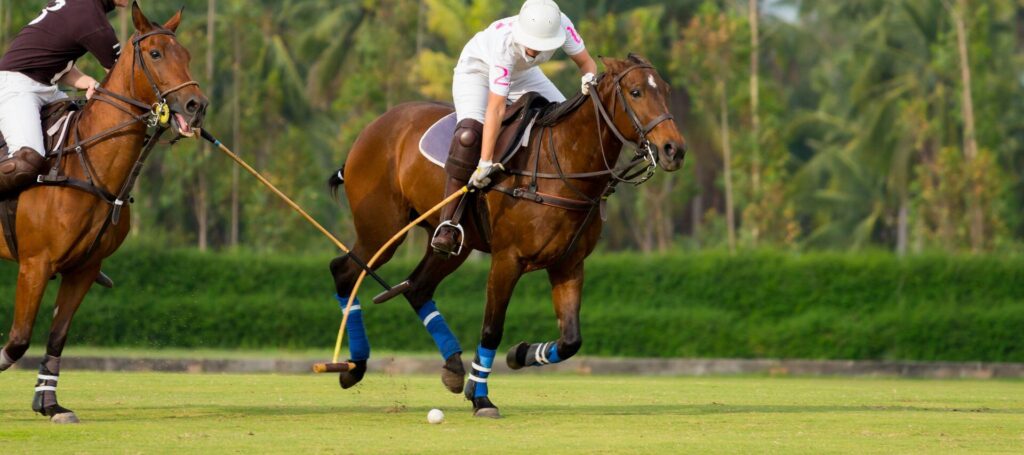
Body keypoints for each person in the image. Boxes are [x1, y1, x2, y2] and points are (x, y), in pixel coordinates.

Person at [430, 0, 598, 255]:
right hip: (477, 70)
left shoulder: (562, 24)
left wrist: (589, 79)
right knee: (469, 136)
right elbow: (496, 108)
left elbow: (587, 64)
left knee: (568, 120)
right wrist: (485, 161)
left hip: (524, 75)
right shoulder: (504, 46)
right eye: (532, 43)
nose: (535, 50)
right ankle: (448, 224)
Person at [0, 0, 127, 194]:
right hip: (17, 85)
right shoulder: (93, 20)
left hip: (45, 88)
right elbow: (124, 83)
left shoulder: (81, 6)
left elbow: (54, 60)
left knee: (83, 133)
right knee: (28, 159)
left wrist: (86, 81)